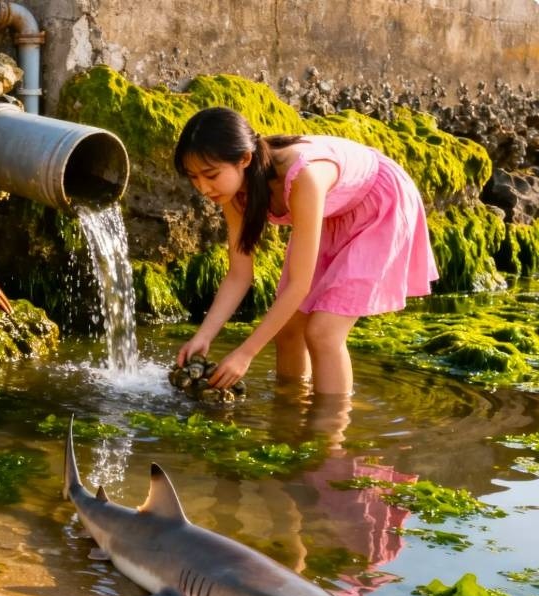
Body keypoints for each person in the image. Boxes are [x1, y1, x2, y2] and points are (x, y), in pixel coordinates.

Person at [172, 107, 439, 396]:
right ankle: (292, 417)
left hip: (378, 206)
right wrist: (204, 336)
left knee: (324, 333)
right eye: (193, 177)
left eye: (210, 175)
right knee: (288, 330)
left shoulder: (302, 176)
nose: (203, 187)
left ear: (244, 159)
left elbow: (300, 285)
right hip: (333, 213)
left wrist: (246, 354)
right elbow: (239, 275)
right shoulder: (230, 192)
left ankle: (331, 433)